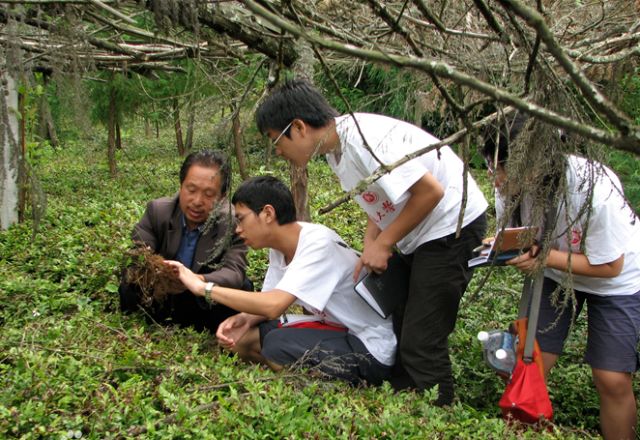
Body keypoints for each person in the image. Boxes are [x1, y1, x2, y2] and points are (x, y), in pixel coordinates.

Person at [254, 79, 488, 405]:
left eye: (275, 140)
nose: (277, 151)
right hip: (419, 231)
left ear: (299, 127)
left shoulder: (365, 141)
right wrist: (370, 242)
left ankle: (438, 413)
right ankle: (407, 401)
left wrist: (385, 242)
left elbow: (430, 191)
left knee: (422, 337)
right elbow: (378, 198)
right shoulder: (336, 150)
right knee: (402, 320)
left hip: (452, 225)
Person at [482, 115, 639, 440]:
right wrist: (504, 247)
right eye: (489, 166)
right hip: (553, 273)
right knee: (528, 361)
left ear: (535, 164)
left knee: (612, 378)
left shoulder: (595, 187)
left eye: (501, 169)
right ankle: (522, 431)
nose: (495, 179)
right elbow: (520, 236)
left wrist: (544, 258)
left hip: (616, 282)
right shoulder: (510, 190)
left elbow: (611, 266)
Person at [165, 176, 396, 385]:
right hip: (336, 327)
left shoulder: (317, 244)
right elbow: (267, 304)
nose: (237, 229)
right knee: (243, 340)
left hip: (369, 347)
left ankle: (309, 388)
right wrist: (245, 319)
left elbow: (273, 305)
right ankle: (293, 375)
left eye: (242, 219)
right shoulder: (280, 246)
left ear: (267, 213)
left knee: (277, 346)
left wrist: (202, 287)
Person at [119, 150, 249, 332]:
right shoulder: (158, 211)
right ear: (181, 186)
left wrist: (196, 280)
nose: (197, 201)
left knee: (244, 287)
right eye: (191, 190)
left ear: (222, 196)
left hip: (202, 297)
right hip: (163, 293)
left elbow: (235, 272)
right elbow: (138, 255)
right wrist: (160, 275)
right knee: (128, 282)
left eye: (209, 194)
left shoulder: (231, 223)